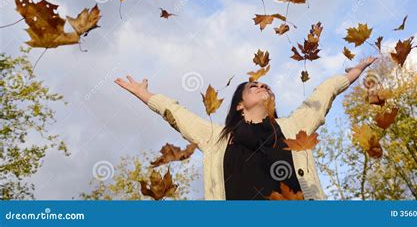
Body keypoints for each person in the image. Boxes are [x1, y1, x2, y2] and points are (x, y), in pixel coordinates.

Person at [114, 57, 376, 200]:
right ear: (240, 106)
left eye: (266, 86)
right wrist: (145, 95)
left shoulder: (295, 126)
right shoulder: (217, 137)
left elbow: (324, 93)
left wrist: (354, 72)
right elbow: (178, 114)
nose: (263, 87)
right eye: (254, 86)